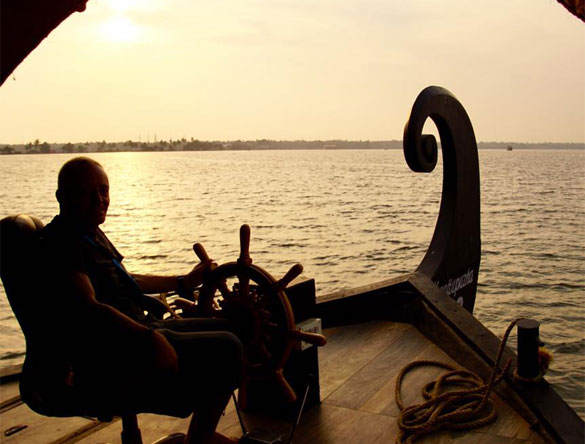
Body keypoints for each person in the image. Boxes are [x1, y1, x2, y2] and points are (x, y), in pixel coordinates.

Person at [40, 156, 242, 444]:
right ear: (63, 196)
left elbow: (125, 278)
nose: (100, 199)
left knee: (233, 329)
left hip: (139, 330)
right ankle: (199, 440)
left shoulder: (88, 232)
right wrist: (149, 338)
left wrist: (182, 281)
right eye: (89, 192)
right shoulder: (62, 241)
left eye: (104, 190)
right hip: (115, 351)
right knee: (228, 348)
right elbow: (87, 308)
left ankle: (200, 436)